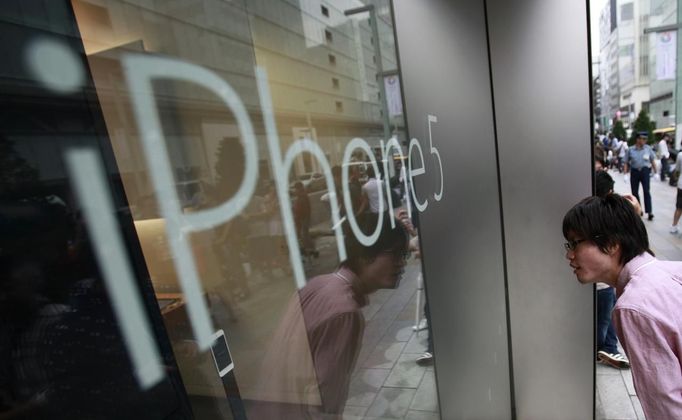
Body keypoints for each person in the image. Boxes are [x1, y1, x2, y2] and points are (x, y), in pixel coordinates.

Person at [251, 213, 409, 419]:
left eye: (404, 255)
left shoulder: (318, 284)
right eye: (395, 254)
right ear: (365, 254)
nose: (402, 264)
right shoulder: (345, 313)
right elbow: (324, 402)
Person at [562, 194, 682, 419]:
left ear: (611, 244)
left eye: (575, 243)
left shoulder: (633, 308)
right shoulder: (673, 270)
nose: (569, 254)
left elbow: (667, 408)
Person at [593, 171, 630, 369]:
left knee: (609, 316)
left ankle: (611, 348)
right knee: (604, 321)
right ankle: (601, 349)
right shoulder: (603, 217)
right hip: (603, 282)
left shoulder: (590, 213)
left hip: (605, 282)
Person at [624, 131, 657, 220]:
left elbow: (652, 160)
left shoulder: (648, 149)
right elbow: (626, 162)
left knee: (646, 191)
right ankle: (639, 209)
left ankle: (649, 212)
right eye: (642, 139)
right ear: (637, 139)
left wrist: (656, 172)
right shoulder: (630, 149)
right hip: (634, 171)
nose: (644, 141)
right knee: (635, 192)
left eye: (645, 139)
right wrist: (625, 174)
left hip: (645, 171)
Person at [670, 154, 682, 234]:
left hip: (681, 185)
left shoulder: (680, 155)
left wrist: (676, 178)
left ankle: (674, 226)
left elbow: (677, 170)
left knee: (679, 207)